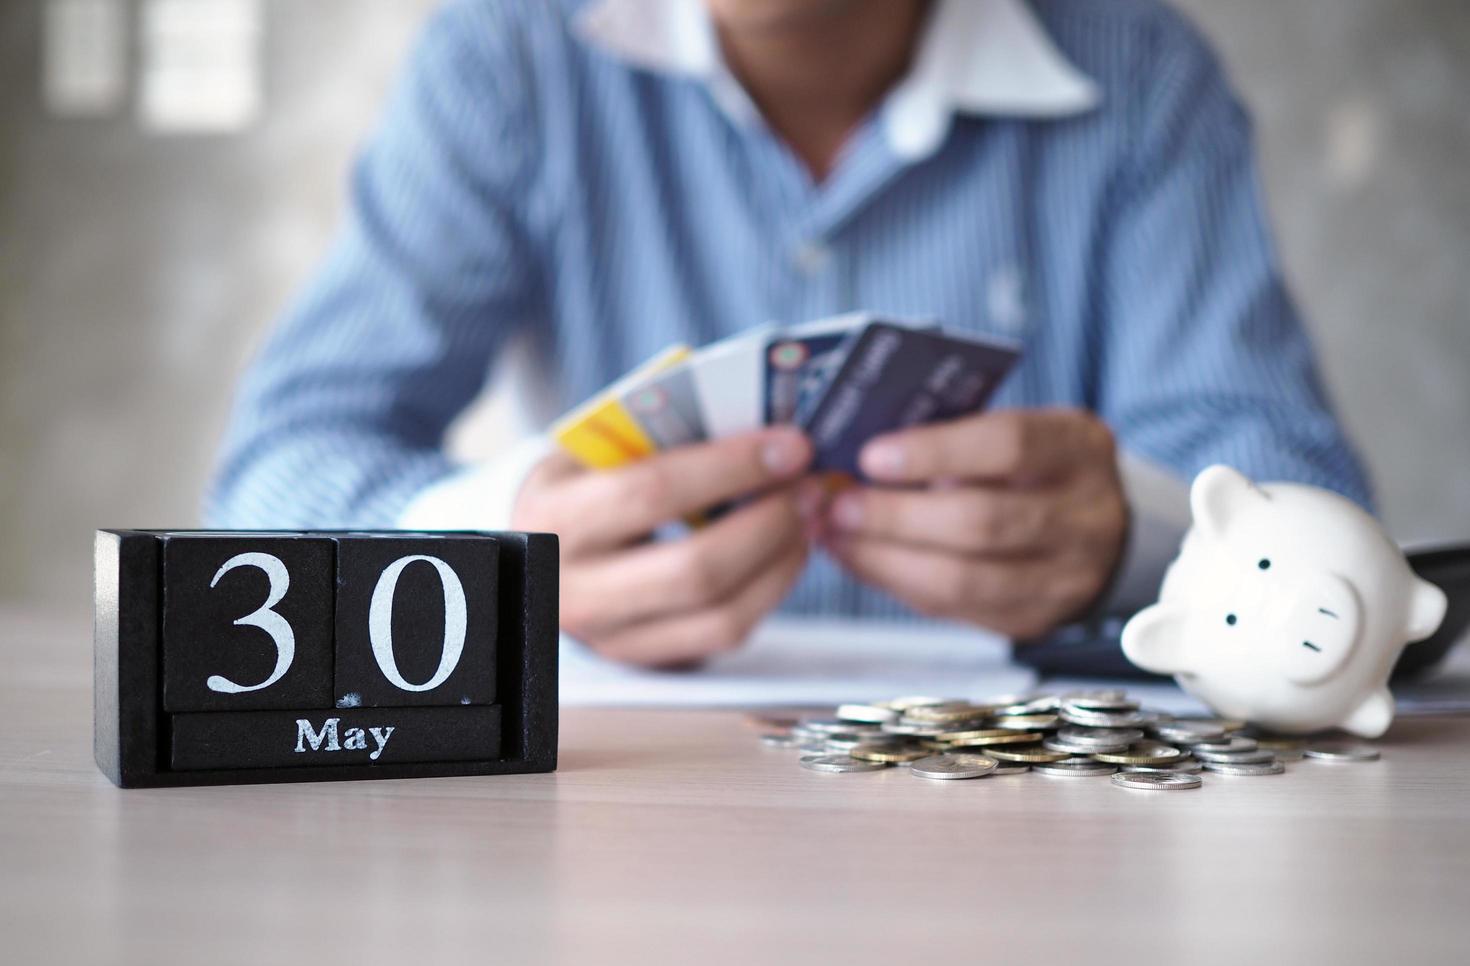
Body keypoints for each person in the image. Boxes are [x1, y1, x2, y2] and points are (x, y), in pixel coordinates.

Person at [207, 0, 1370, 669]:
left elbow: (1311, 509)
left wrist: (1133, 540)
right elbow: (271, 476)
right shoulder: (506, 54)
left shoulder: (1140, 71)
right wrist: (501, 557)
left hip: (1035, 827)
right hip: (624, 820)